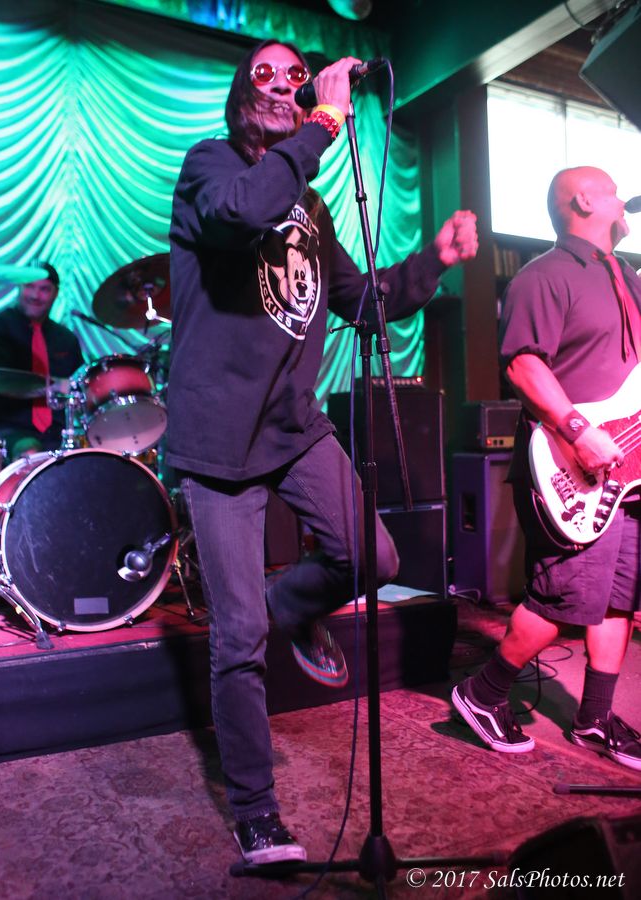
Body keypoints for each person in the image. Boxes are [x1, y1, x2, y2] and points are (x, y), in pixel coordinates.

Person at [167, 39, 478, 865]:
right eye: (263, 75)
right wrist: (324, 125)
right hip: (217, 438)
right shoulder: (209, 168)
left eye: (295, 77)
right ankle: (257, 813)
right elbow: (241, 214)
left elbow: (360, 302)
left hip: (292, 426)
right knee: (236, 637)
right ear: (241, 97)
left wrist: (434, 260)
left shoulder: (310, 206)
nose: (281, 86)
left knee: (372, 557)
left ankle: (290, 607)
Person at [452, 166, 641, 771]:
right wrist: (579, 431)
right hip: (570, 463)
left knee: (617, 599)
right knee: (563, 598)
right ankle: (482, 693)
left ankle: (594, 719)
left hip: (628, 469)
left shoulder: (628, 277)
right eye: (612, 189)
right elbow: (523, 365)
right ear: (583, 200)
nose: (624, 197)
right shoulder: (545, 275)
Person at [0, 262, 84, 459]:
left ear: (56, 293)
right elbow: (4, 382)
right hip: (8, 429)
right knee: (30, 450)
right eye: (29, 286)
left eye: (44, 289)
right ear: (19, 287)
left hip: (58, 432)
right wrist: (55, 385)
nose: (36, 295)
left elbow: (80, 385)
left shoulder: (66, 338)